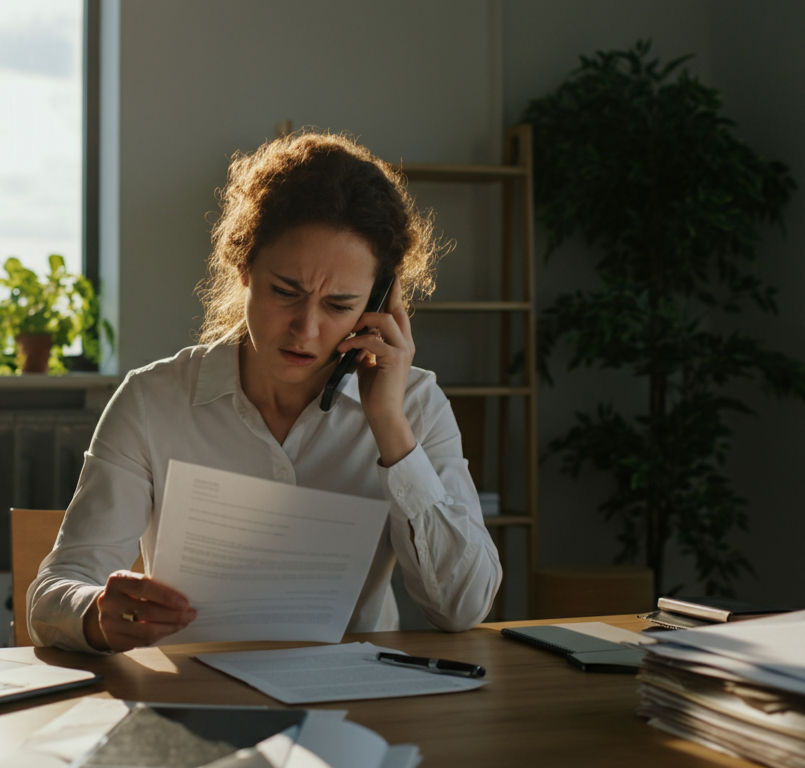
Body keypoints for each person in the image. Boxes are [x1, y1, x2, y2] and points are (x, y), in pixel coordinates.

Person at [29, 132, 502, 653]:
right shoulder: (150, 401)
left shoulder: (413, 405)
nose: (305, 328)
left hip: (357, 702)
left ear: (380, 304)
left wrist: (390, 426)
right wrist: (95, 614)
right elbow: (52, 595)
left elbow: (463, 608)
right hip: (197, 699)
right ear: (242, 268)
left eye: (340, 305)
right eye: (284, 292)